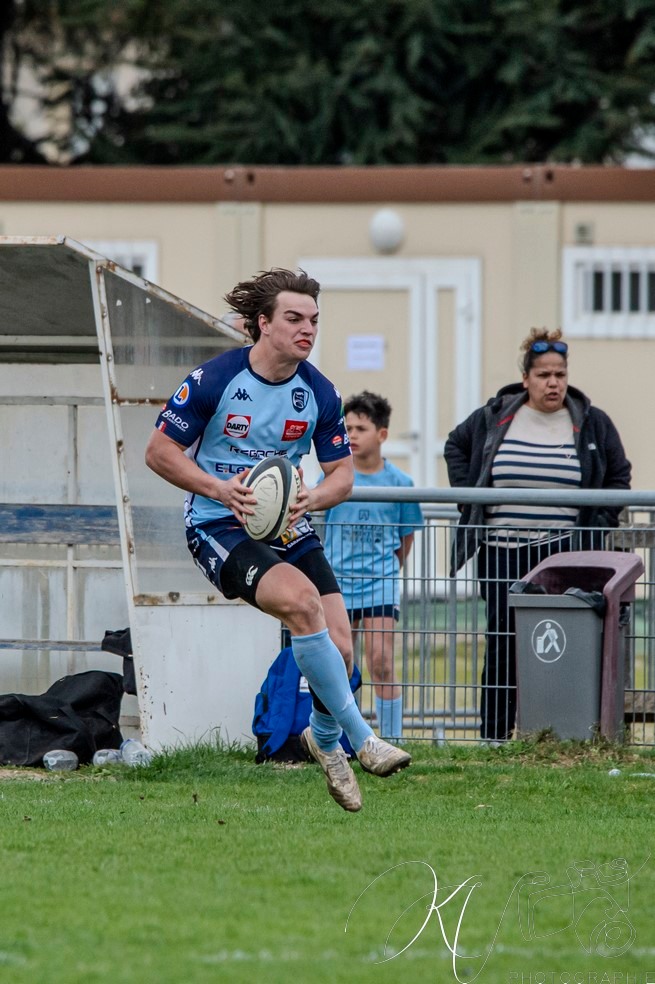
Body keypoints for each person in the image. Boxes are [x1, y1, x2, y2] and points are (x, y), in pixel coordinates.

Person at [144, 268, 410, 812]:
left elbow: (341, 475)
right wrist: (219, 488)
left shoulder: (318, 391)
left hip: (289, 524)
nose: (307, 329)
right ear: (261, 324)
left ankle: (323, 740)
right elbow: (159, 452)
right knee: (300, 603)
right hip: (217, 525)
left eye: (313, 319)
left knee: (340, 649)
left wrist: (312, 498)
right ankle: (362, 740)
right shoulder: (215, 380)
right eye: (294, 318)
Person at [444, 328, 631, 743]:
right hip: (500, 551)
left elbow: (619, 475)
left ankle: (563, 734)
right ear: (525, 378)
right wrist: (469, 499)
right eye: (544, 374)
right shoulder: (495, 417)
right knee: (503, 644)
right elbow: (455, 446)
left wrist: (599, 521)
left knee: (563, 644)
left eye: (560, 374)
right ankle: (494, 738)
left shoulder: (591, 422)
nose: (554, 383)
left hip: (564, 556)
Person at [321, 391, 423, 740]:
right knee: (336, 664)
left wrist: (387, 568)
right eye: (347, 427)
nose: (351, 435)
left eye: (360, 428)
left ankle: (391, 739)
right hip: (337, 583)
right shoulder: (334, 479)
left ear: (381, 434)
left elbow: (406, 538)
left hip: (378, 583)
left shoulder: (400, 484)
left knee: (380, 661)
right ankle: (338, 738)